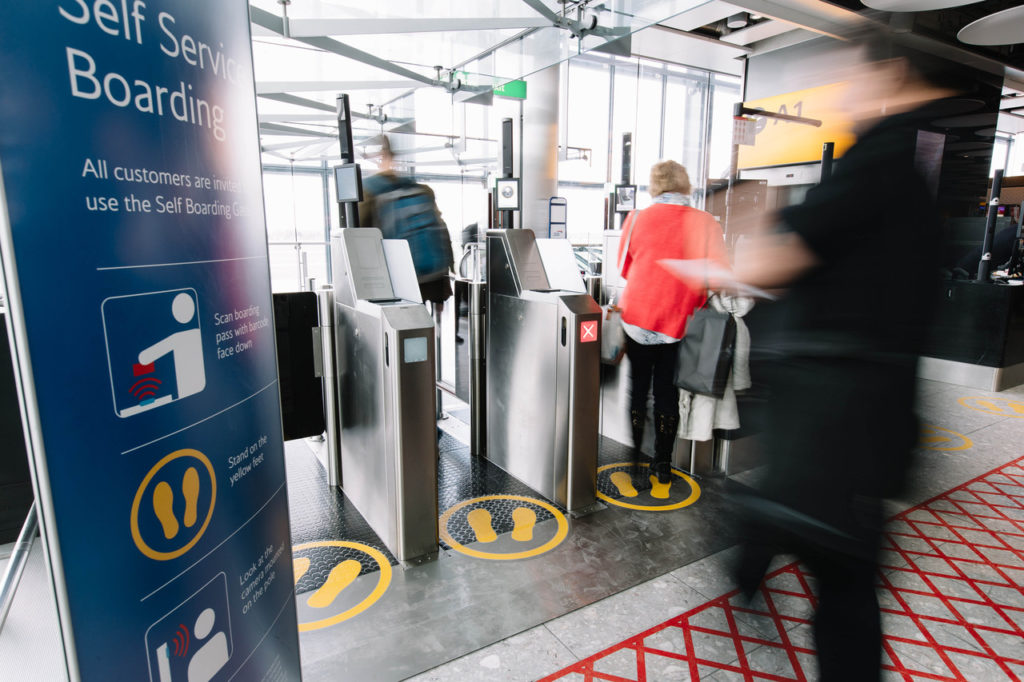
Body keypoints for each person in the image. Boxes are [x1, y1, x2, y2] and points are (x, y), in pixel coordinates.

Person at [723, 34, 952, 682]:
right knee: (841, 563)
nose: (843, 93)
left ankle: (749, 559)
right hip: (874, 416)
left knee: (838, 572)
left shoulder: (872, 162)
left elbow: (771, 263)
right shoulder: (916, 182)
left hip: (830, 417)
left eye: (852, 77)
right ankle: (750, 559)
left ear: (892, 75)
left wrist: (746, 228)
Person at [617, 160, 727, 483]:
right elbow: (718, 276)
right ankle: (662, 464)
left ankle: (635, 463)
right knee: (667, 394)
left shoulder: (636, 218)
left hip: (637, 318)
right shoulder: (706, 223)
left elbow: (625, 269)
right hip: (679, 323)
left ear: (655, 185)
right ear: (685, 184)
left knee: (638, 391)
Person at [357, 136, 453, 306]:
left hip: (398, 279)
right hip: (433, 276)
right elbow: (441, 228)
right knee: (424, 315)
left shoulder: (368, 191)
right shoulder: (421, 190)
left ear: (378, 158)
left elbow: (359, 237)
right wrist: (448, 268)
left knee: (400, 317)